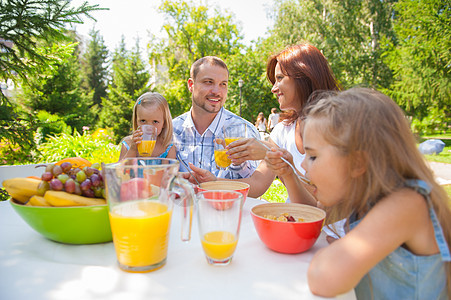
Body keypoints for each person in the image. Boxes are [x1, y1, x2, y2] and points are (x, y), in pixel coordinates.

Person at [280, 88, 451, 298]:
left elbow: (322, 277)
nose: (304, 165)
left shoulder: (406, 204)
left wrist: (341, 250)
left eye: (313, 156)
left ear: (357, 163)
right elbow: (317, 220)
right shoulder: (364, 200)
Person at [188, 43, 340, 203]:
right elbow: (257, 184)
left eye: (280, 78)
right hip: (296, 221)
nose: (273, 89)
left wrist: (277, 159)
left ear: (305, 76)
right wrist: (213, 183)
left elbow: (331, 200)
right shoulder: (282, 131)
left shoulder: (338, 125)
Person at [172, 56, 260, 179]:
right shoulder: (171, 131)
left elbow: (254, 187)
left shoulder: (245, 131)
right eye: (209, 82)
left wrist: (239, 163)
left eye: (223, 84)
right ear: (191, 85)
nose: (217, 91)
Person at [119, 92, 176, 160]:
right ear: (136, 121)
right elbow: (120, 168)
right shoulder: (128, 143)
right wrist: (133, 149)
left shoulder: (167, 148)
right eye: (143, 121)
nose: (148, 127)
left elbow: (170, 169)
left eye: (155, 122)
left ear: (164, 123)